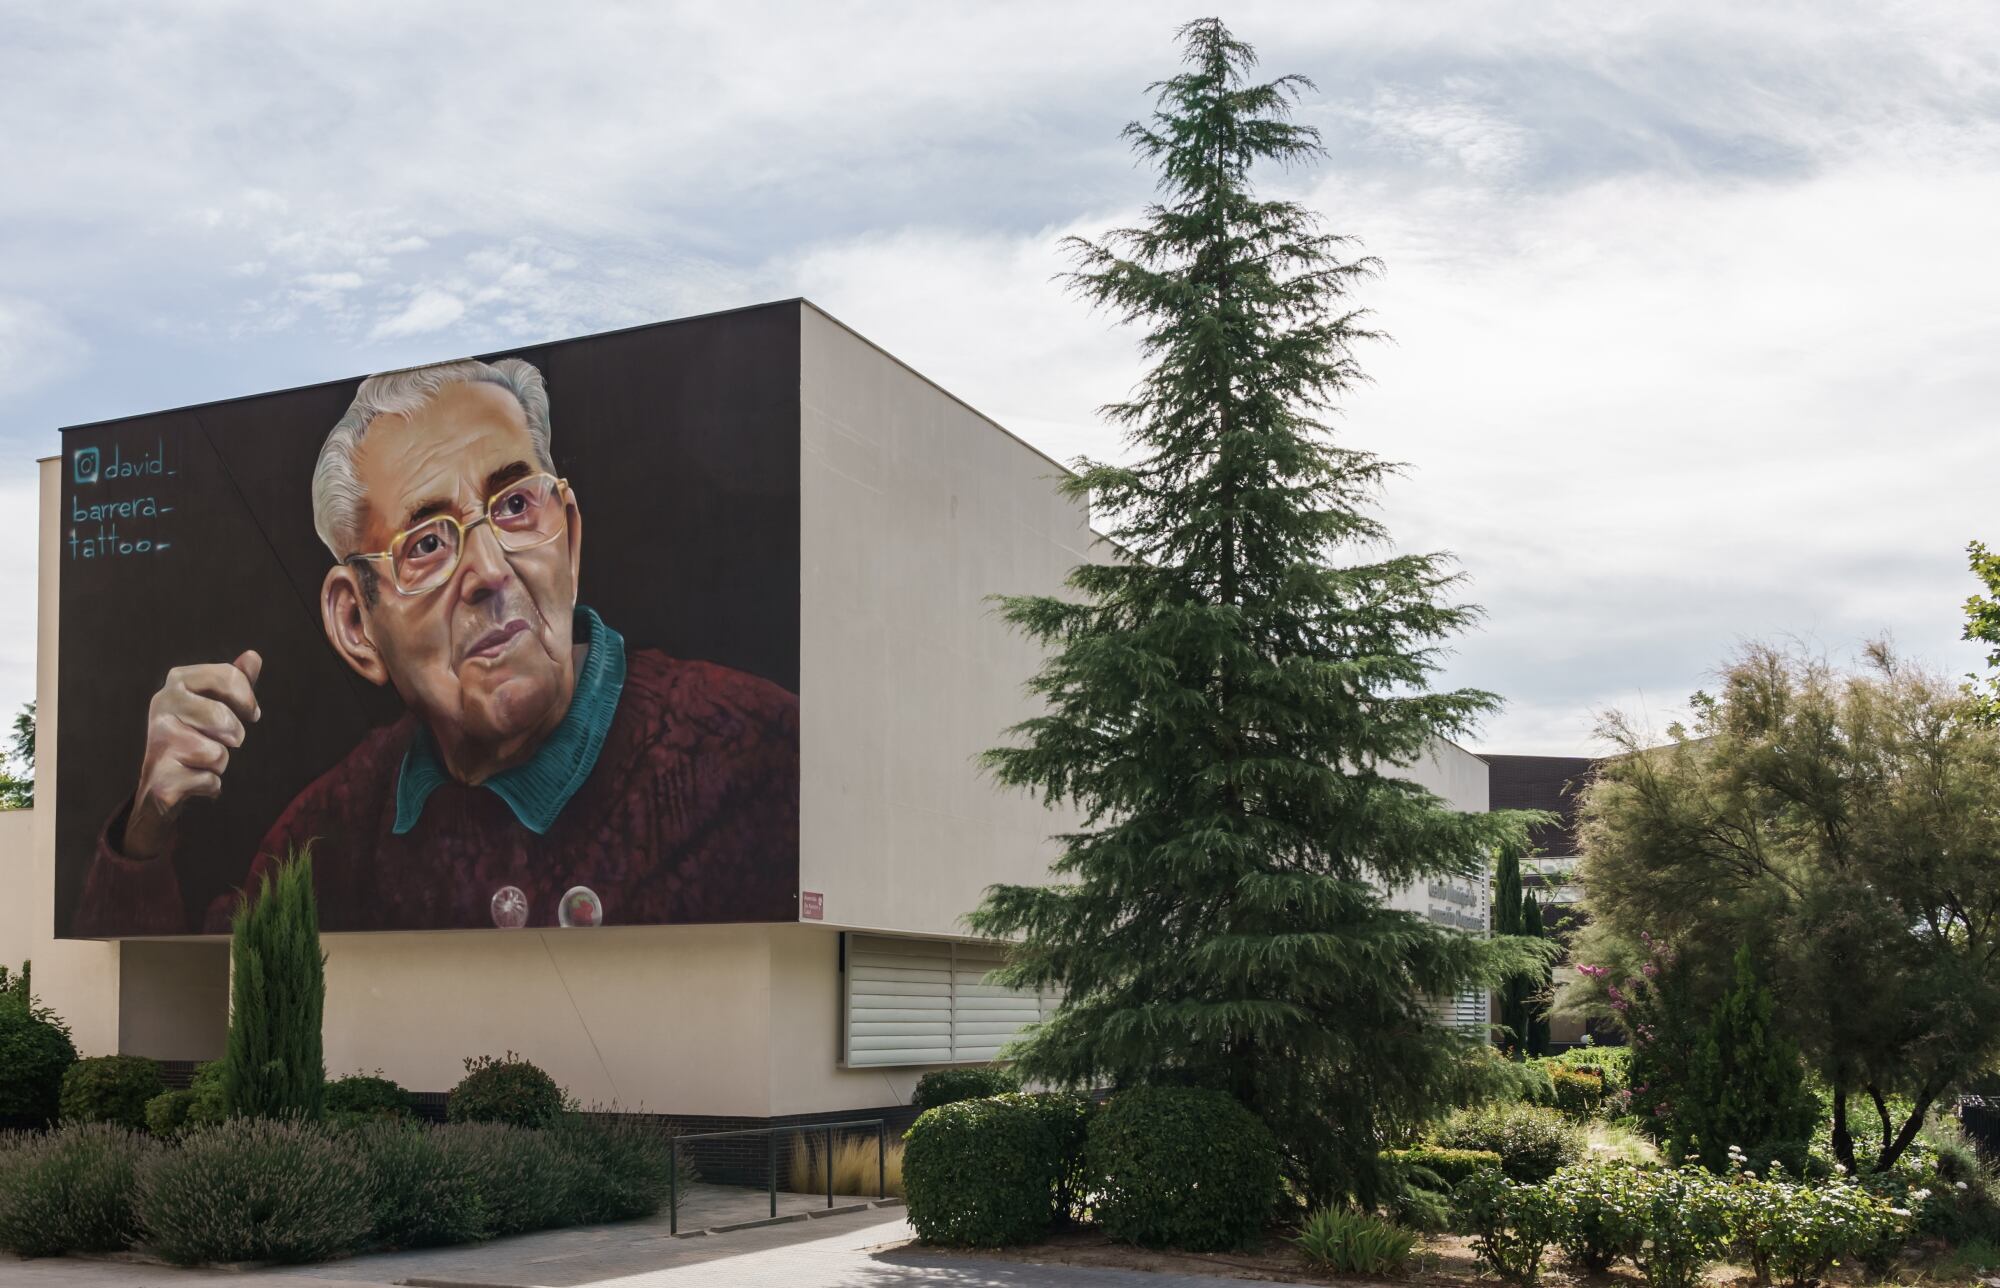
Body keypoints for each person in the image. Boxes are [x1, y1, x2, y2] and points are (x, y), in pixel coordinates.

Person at [71, 358, 798, 934]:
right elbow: (193, 1008)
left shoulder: (763, 754)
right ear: (357, 625)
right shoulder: (330, 836)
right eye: (425, 543)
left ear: (568, 541)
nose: (489, 571)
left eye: (516, 506)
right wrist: (147, 827)